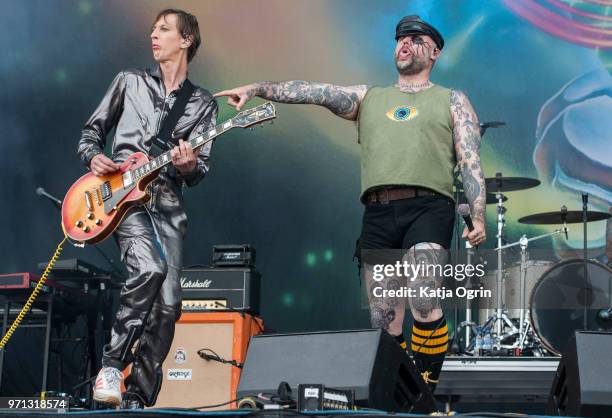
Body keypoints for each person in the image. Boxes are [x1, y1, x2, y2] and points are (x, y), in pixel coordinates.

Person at [215, 15, 486, 391]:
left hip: (428, 206)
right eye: (400, 38)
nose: (404, 43)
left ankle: (426, 389)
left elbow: (470, 158)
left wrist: (479, 213)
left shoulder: (451, 99)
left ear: (435, 52)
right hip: (377, 212)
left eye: (416, 38)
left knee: (424, 293)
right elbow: (315, 91)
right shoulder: (368, 97)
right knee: (384, 319)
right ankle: (402, 393)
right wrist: (259, 88)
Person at [77, 9, 217, 408]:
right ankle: (111, 365)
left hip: (168, 204)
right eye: (153, 29)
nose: (153, 35)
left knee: (170, 305)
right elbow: (91, 133)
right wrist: (93, 158)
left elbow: (200, 168)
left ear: (186, 39)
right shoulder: (129, 81)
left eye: (163, 29)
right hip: (121, 199)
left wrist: (189, 166)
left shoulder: (203, 104)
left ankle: (138, 397)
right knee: (150, 268)